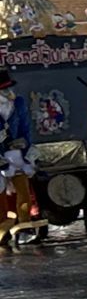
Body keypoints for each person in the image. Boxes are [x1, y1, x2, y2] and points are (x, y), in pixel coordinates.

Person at [0, 68, 35, 246]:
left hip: (15, 152)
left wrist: (24, 143)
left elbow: (25, 127)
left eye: (9, 88)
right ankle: (1, 226)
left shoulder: (18, 103)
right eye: (3, 89)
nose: (8, 92)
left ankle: (24, 224)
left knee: (22, 185)